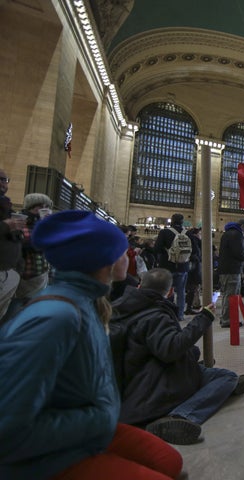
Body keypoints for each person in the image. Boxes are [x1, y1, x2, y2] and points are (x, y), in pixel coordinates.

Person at [0, 210, 183, 479]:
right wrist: (99, 419)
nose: (128, 255)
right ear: (103, 259)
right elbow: (9, 429)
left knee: (169, 461)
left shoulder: (88, 302)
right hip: (45, 459)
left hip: (88, 423)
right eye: (123, 249)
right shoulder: (54, 318)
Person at [111, 268, 244, 445]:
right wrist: (203, 318)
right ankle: (180, 415)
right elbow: (171, 349)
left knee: (203, 366)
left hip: (133, 382)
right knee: (226, 377)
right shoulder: (155, 315)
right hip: (151, 392)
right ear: (170, 291)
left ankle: (224, 384)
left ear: (139, 286)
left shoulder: (122, 308)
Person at [3, 193, 53, 318]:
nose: (43, 208)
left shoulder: (43, 223)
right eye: (40, 206)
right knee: (16, 308)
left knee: (32, 308)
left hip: (41, 271)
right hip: (25, 273)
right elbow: (24, 243)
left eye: (46, 206)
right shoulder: (20, 221)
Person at [155, 213, 195, 320]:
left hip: (167, 266)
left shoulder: (164, 232)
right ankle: (180, 315)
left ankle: (165, 314)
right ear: (182, 222)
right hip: (183, 267)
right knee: (181, 292)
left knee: (165, 291)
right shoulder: (188, 233)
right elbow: (195, 250)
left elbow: (157, 248)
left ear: (171, 221)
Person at [0, 169, 24, 320]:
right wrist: (5, 226)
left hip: (10, 271)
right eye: (0, 179)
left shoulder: (8, 208)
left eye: (5, 180)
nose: (3, 183)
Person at [217, 219, 244, 327]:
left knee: (227, 295)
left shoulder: (227, 234)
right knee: (231, 295)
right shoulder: (236, 235)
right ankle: (227, 320)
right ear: (242, 227)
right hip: (232, 270)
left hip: (225, 269)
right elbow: (239, 253)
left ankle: (225, 318)